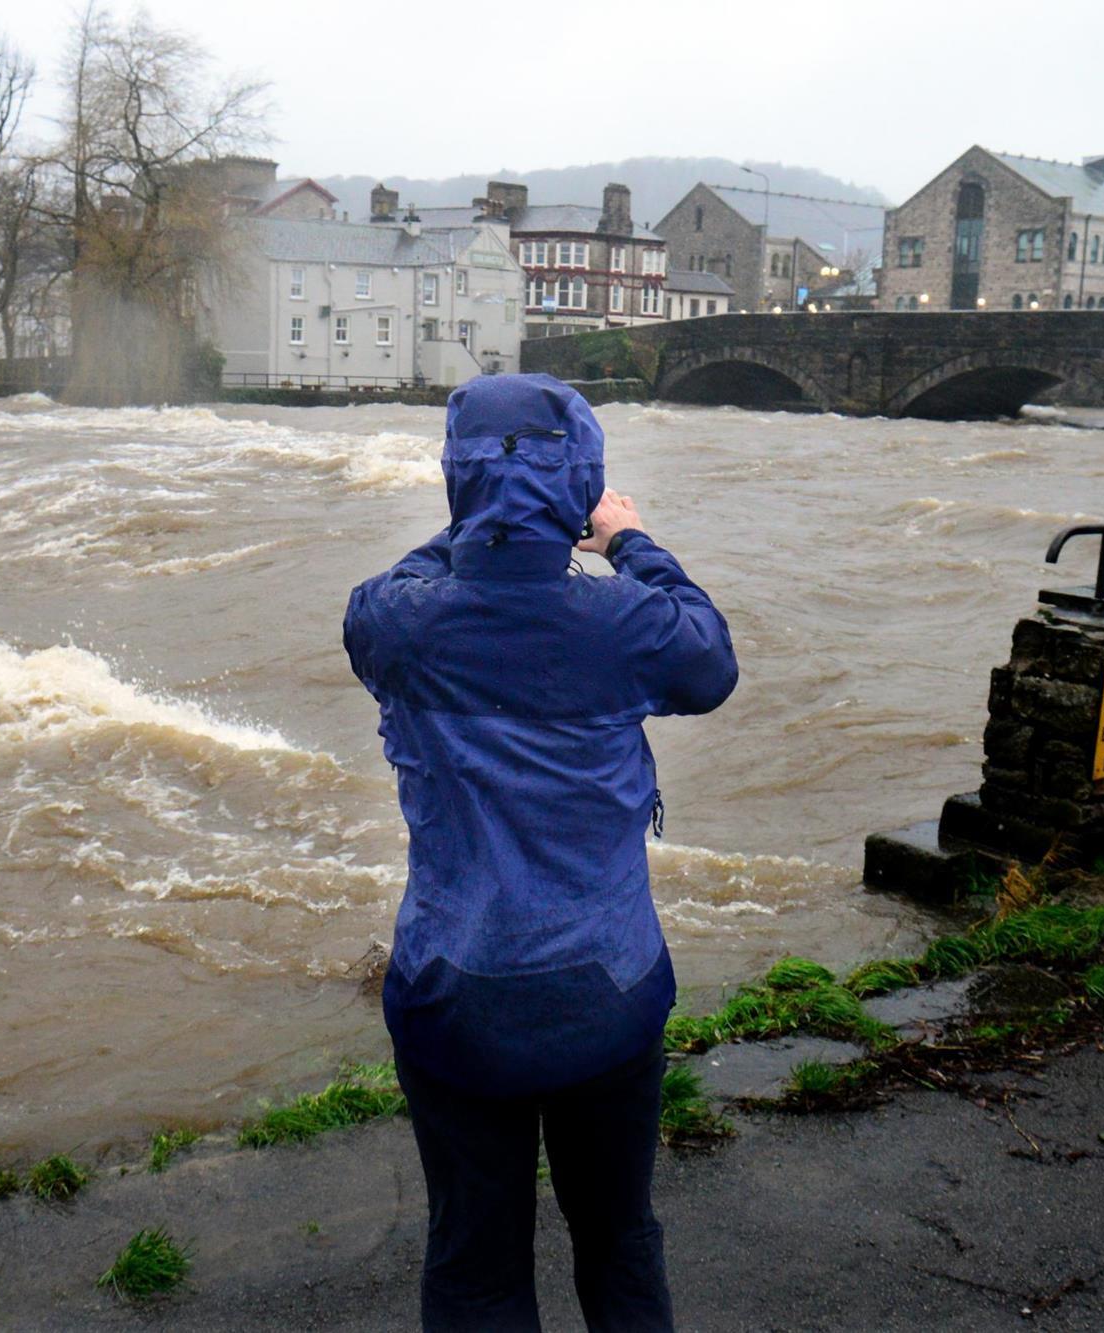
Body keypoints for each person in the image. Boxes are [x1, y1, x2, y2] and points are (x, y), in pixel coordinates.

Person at [343, 373, 738, 1331]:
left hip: (452, 997)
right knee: (619, 1241)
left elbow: (400, 585)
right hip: (606, 992)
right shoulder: (624, 625)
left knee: (474, 1266)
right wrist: (625, 538)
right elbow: (711, 660)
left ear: (457, 480)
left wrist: (484, 525)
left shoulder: (396, 624)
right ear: (582, 484)